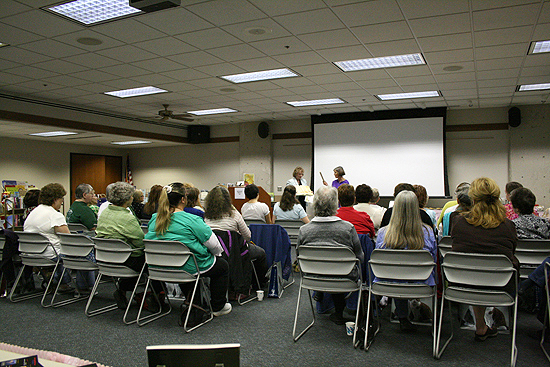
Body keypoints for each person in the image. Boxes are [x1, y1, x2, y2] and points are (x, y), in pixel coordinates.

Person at [145, 183, 231, 317]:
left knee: (187, 262)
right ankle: (218, 306)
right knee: (222, 266)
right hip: (186, 267)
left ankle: (191, 300)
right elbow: (215, 246)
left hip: (158, 267)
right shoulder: (192, 219)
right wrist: (216, 255)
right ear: (183, 200)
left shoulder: (154, 219)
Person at [451, 177, 518, 341]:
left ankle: (480, 326)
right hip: (501, 285)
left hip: (463, 283)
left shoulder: (459, 223)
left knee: (474, 270)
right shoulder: (508, 226)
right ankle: (486, 326)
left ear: (473, 199)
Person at [297, 186, 364, 325]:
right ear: (336, 204)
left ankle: (323, 300)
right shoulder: (348, 228)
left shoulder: (304, 230)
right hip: (344, 279)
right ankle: (340, 313)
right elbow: (360, 258)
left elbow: (299, 256)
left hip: (312, 278)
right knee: (339, 269)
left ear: (314, 204)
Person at [375, 190, 437, 331]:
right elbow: (433, 260)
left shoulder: (383, 233)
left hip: (389, 284)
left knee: (397, 273)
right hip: (421, 284)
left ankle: (403, 317)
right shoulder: (427, 232)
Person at [96, 181, 163, 309]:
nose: (133, 198)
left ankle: (122, 290)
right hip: (124, 260)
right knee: (153, 261)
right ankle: (156, 297)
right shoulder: (127, 217)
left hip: (104, 258)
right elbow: (140, 242)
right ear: (127, 198)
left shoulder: (104, 213)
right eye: (132, 196)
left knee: (140, 261)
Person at [204, 186, 268, 287]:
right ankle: (258, 283)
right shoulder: (234, 214)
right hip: (235, 253)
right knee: (261, 253)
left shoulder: (206, 216)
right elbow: (248, 236)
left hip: (213, 253)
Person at [23, 183, 73, 293]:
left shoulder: (33, 212)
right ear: (55, 199)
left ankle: (55, 280)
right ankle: (80, 286)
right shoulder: (55, 215)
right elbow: (69, 238)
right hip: (48, 255)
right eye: (61, 199)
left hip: (29, 254)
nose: (62, 202)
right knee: (80, 252)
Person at [66, 183, 97, 293]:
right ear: (85, 195)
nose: (93, 196)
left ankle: (83, 284)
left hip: (73, 244)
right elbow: (94, 227)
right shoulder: (85, 210)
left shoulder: (72, 207)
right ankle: (87, 285)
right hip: (85, 245)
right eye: (92, 194)